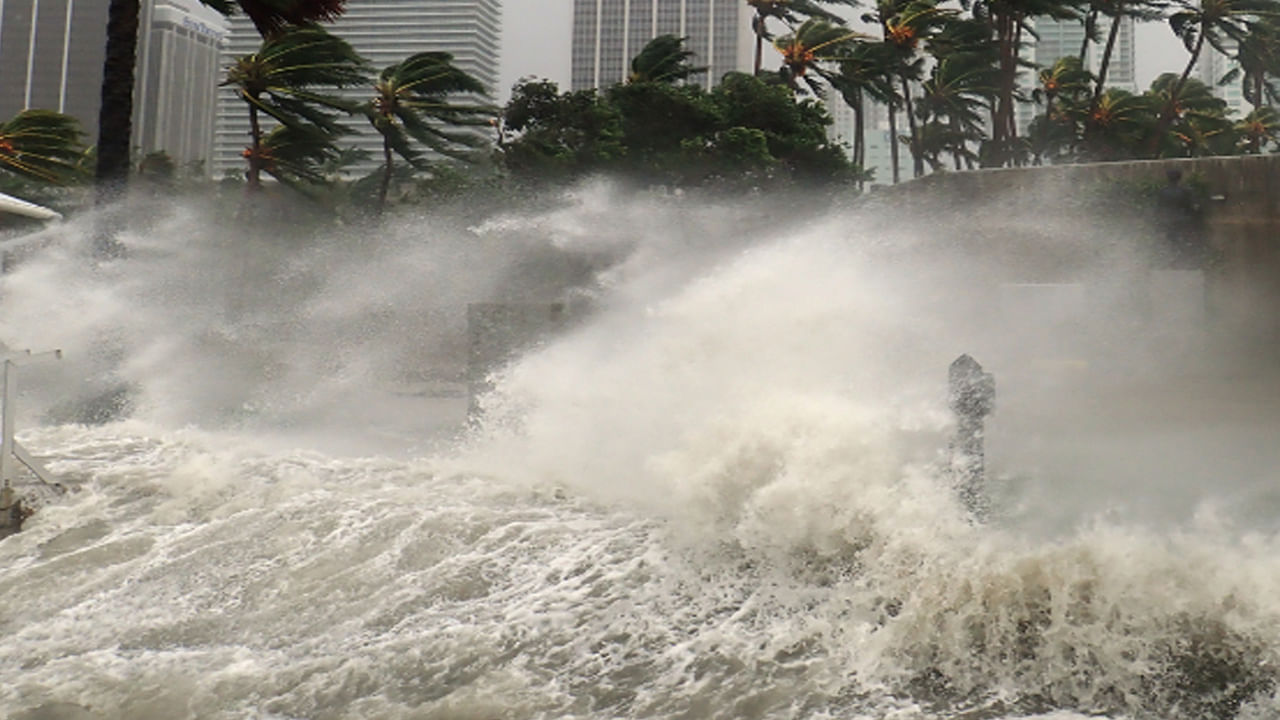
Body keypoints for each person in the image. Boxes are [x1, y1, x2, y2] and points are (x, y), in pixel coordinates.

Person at [1154, 168, 1206, 269]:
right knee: (1184, 243)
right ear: (1180, 177)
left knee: (1171, 243)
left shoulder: (1162, 191)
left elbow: (1158, 208)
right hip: (1183, 221)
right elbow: (1194, 206)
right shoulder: (1185, 191)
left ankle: (1170, 263)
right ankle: (1182, 263)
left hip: (1167, 222)